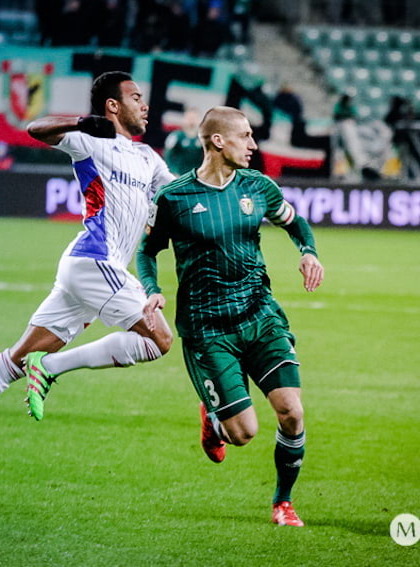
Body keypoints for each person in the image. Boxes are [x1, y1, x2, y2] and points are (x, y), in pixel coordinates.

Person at [0, 71, 175, 483]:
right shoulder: (90, 141)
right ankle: (50, 367)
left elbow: (178, 193)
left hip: (93, 272)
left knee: (14, 361)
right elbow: (35, 129)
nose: (145, 105)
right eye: (136, 97)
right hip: (94, 261)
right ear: (113, 106)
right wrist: (81, 122)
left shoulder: (147, 159)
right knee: (160, 339)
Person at [136, 106, 324, 527]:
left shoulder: (258, 187)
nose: (254, 145)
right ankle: (215, 419)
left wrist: (308, 251)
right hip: (207, 330)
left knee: (292, 412)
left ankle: (282, 502)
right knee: (243, 434)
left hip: (260, 315)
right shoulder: (174, 198)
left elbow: (295, 224)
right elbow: (147, 251)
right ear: (218, 141)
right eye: (246, 136)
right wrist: (153, 291)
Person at [164, 107, 203, 176]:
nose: (191, 121)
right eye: (189, 118)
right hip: (178, 176)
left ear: (200, 120)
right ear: (184, 119)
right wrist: (172, 171)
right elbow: (168, 156)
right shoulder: (175, 136)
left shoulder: (203, 139)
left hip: (196, 177)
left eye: (194, 118)